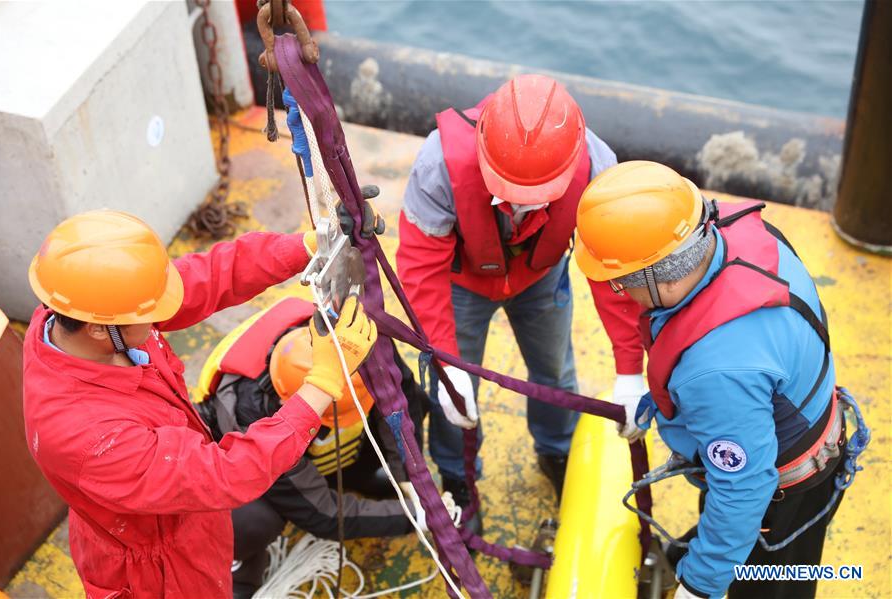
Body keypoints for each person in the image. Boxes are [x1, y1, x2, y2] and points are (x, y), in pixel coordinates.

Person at [22, 210, 377, 598]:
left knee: (246, 532)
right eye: (150, 312)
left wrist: (306, 247)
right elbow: (226, 473)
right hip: (159, 573)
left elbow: (206, 278)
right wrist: (322, 381)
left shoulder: (82, 312)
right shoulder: (89, 440)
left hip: (174, 511)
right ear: (98, 329)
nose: (162, 315)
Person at [574, 161, 848, 599]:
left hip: (781, 493)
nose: (621, 293)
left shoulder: (715, 371)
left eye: (623, 282)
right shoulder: (746, 236)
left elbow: (744, 488)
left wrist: (702, 584)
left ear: (652, 275)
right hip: (801, 431)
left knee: (772, 581)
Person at [396, 74, 644, 528]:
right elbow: (419, 265)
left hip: (541, 277)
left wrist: (630, 372)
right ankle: (457, 477)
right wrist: (448, 361)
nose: (519, 200)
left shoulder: (599, 168)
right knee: (449, 391)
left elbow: (614, 278)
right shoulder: (438, 165)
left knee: (555, 373)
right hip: (462, 285)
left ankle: (556, 451)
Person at [191, 297, 429, 598]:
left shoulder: (351, 339)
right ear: (285, 400)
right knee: (257, 520)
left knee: (414, 405)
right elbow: (321, 514)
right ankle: (238, 571)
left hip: (305, 415)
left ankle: (358, 477)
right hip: (242, 457)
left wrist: (408, 472)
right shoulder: (248, 417)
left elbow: (401, 396)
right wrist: (414, 517)